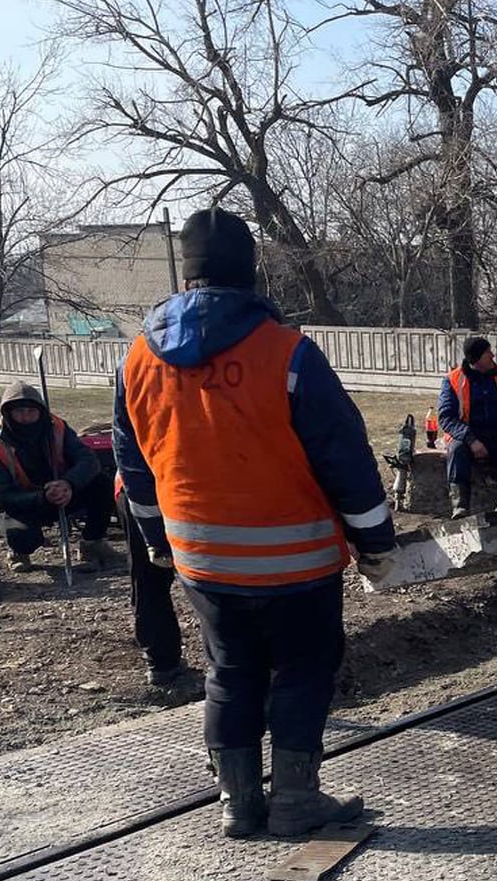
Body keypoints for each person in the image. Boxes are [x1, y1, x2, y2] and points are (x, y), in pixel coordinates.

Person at [112, 207, 398, 839]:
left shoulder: (138, 358)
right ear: (252, 273)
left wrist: (160, 540)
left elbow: (133, 464)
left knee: (230, 670)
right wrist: (376, 541)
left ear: (187, 276)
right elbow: (343, 454)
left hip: (203, 561)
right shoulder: (288, 352)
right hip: (296, 562)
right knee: (304, 665)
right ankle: (295, 800)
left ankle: (238, 804)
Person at [0, 381, 116, 573]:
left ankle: (92, 542)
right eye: (19, 411)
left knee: (102, 484)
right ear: (7, 413)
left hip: (64, 493)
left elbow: (88, 459)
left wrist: (68, 483)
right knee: (22, 537)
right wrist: (42, 497)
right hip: (24, 504)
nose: (25, 417)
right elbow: (2, 494)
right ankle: (19, 552)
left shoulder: (57, 427)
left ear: (40, 411)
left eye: (31, 411)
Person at [438, 336, 497, 518]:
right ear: (475, 359)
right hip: (467, 438)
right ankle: (460, 507)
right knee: (456, 451)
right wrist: (471, 440)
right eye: (487, 353)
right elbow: (446, 417)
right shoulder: (452, 380)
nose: (492, 355)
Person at [115, 473, 185, 686]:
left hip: (146, 484)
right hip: (148, 486)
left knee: (149, 579)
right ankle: (163, 661)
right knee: (150, 577)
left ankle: (163, 662)